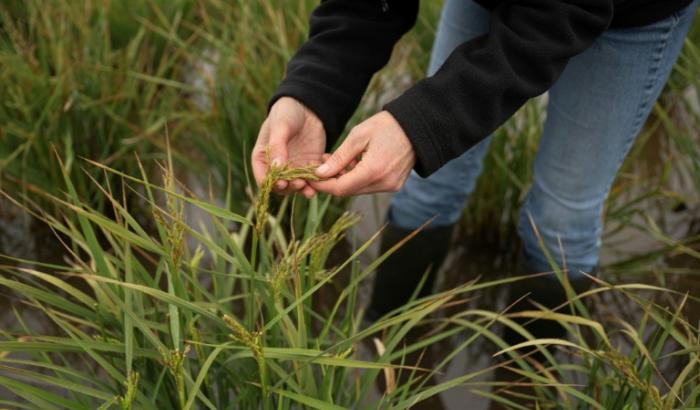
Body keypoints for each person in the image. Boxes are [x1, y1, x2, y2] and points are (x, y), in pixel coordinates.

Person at [252, 0, 698, 344]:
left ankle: (525, 379)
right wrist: (311, 93)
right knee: (429, 187)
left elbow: (561, 14)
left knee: (562, 220)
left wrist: (421, 125)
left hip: (629, 18)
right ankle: (386, 338)